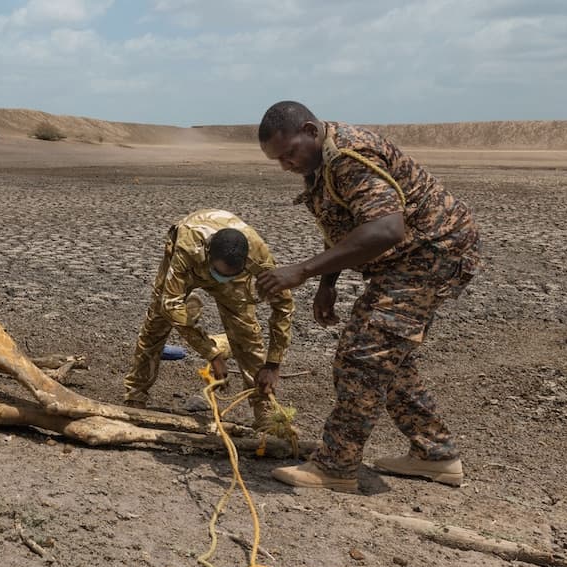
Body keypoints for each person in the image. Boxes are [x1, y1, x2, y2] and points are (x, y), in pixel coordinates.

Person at [254, 101, 482, 493]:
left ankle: (336, 466)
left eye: (289, 153)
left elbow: (386, 230)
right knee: (388, 360)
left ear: (310, 130)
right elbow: (344, 224)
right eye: (279, 160)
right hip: (411, 257)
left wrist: (304, 270)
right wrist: (328, 284)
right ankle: (436, 454)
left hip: (432, 252)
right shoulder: (320, 162)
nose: (286, 165)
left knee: (363, 354)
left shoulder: (349, 156)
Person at [124, 208, 294, 427]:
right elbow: (170, 304)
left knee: (246, 333)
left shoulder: (258, 257)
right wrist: (212, 354)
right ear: (208, 256)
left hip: (235, 280)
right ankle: (135, 397)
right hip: (190, 267)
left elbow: (284, 305)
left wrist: (273, 363)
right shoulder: (187, 246)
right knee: (156, 324)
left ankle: (264, 407)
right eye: (219, 273)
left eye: (228, 274)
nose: (221, 279)